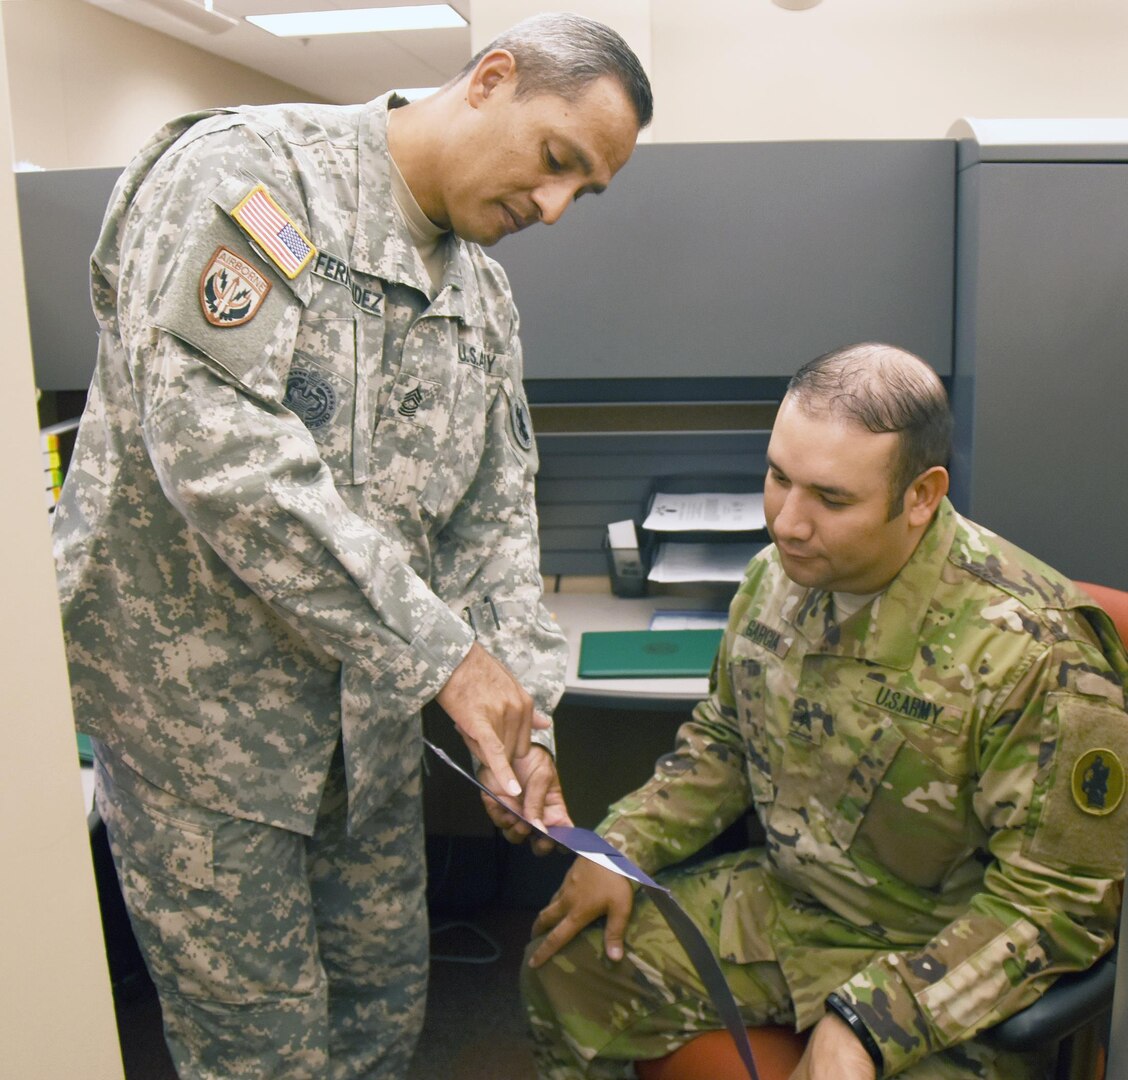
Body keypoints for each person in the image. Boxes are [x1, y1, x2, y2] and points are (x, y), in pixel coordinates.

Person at [52, 13, 652, 1078]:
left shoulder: (483, 299)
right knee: (262, 1060)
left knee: (382, 1029)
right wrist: (446, 660)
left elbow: (494, 523)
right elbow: (216, 451)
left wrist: (528, 726)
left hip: (363, 750)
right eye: (557, 160)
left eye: (585, 193)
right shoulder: (251, 179)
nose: (555, 208)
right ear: (491, 79)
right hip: (206, 748)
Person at [522, 342, 1128, 1080]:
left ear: (920, 495)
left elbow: (1057, 906)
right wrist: (621, 846)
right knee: (567, 963)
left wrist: (873, 1021)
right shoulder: (776, 578)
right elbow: (725, 740)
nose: (787, 524)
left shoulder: (1036, 653)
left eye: (831, 499)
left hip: (940, 952)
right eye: (779, 478)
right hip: (792, 906)